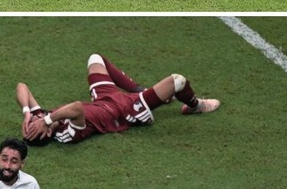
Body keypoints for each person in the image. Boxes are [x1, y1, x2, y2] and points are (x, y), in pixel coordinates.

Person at [17, 52, 220, 147]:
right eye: (36, 121)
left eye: (35, 119)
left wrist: (27, 112)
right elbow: (77, 108)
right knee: (178, 81)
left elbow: (21, 86)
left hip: (105, 98)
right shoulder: (66, 134)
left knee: (95, 59)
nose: (38, 117)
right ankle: (196, 106)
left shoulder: (45, 119)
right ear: (45, 132)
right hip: (125, 111)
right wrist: (47, 120)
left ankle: (141, 90)